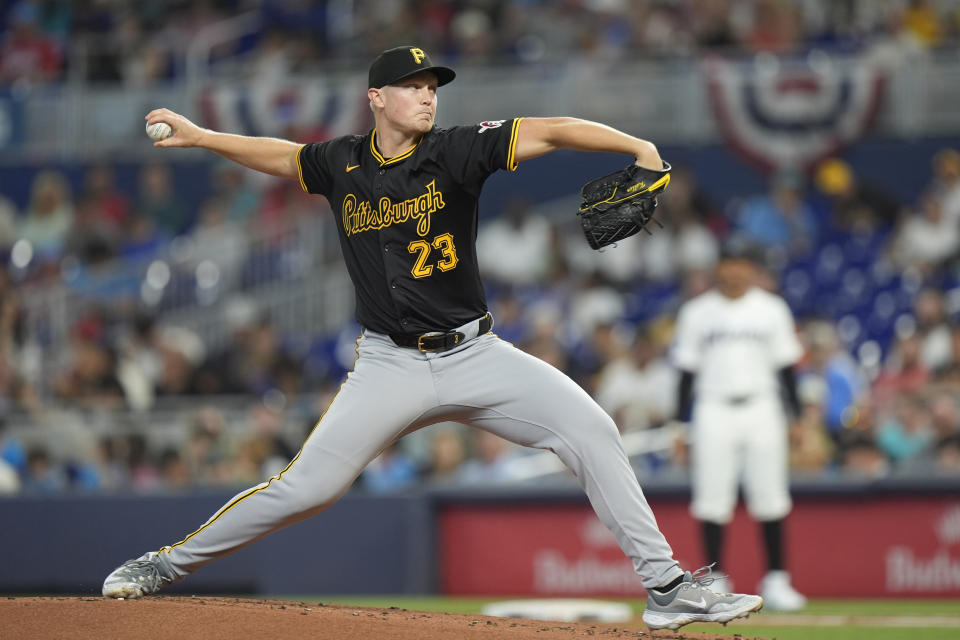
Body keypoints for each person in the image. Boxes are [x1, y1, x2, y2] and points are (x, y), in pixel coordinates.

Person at [101, 45, 762, 631]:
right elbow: (280, 157)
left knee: (592, 429)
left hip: (477, 353)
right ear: (376, 98)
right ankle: (165, 564)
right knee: (305, 490)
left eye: (433, 86)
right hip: (390, 364)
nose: (427, 94)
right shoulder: (341, 163)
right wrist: (204, 137)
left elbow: (554, 129)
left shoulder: (456, 149)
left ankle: (667, 589)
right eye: (414, 85)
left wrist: (637, 148)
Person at [671, 243, 807, 612]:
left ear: (751, 269)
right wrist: (679, 427)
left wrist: (796, 418)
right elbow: (685, 374)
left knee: (771, 495)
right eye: (728, 264)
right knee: (712, 498)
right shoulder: (697, 312)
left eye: (741, 265)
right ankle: (716, 581)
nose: (734, 272)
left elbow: (786, 369)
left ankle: (777, 580)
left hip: (763, 406)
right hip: (713, 407)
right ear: (718, 268)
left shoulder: (772, 308)